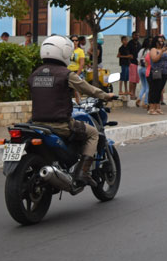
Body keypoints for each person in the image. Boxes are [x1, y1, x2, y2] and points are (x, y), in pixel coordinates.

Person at [29, 35, 115, 187]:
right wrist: (106, 95)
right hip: (60, 124)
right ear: (65, 52)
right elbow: (88, 89)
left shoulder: (34, 74)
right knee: (93, 133)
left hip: (35, 123)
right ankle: (83, 172)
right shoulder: (65, 74)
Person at [147, 36, 167, 115]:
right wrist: (161, 52)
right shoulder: (153, 50)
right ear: (155, 42)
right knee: (154, 89)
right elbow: (154, 59)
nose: (161, 43)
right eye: (159, 41)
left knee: (159, 90)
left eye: (162, 41)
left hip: (164, 72)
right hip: (156, 72)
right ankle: (151, 107)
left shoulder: (165, 50)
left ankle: (157, 107)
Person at [127, 31, 141, 100]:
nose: (137, 37)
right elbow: (128, 54)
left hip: (137, 64)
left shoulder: (139, 44)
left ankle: (134, 94)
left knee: (135, 80)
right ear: (132, 36)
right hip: (132, 64)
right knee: (132, 80)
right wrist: (129, 62)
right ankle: (130, 94)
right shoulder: (129, 44)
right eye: (136, 35)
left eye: (138, 35)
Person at [137, 38, 150, 108]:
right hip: (146, 69)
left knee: (143, 86)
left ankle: (139, 97)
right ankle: (145, 102)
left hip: (139, 68)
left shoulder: (140, 51)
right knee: (148, 86)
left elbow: (138, 60)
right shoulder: (149, 51)